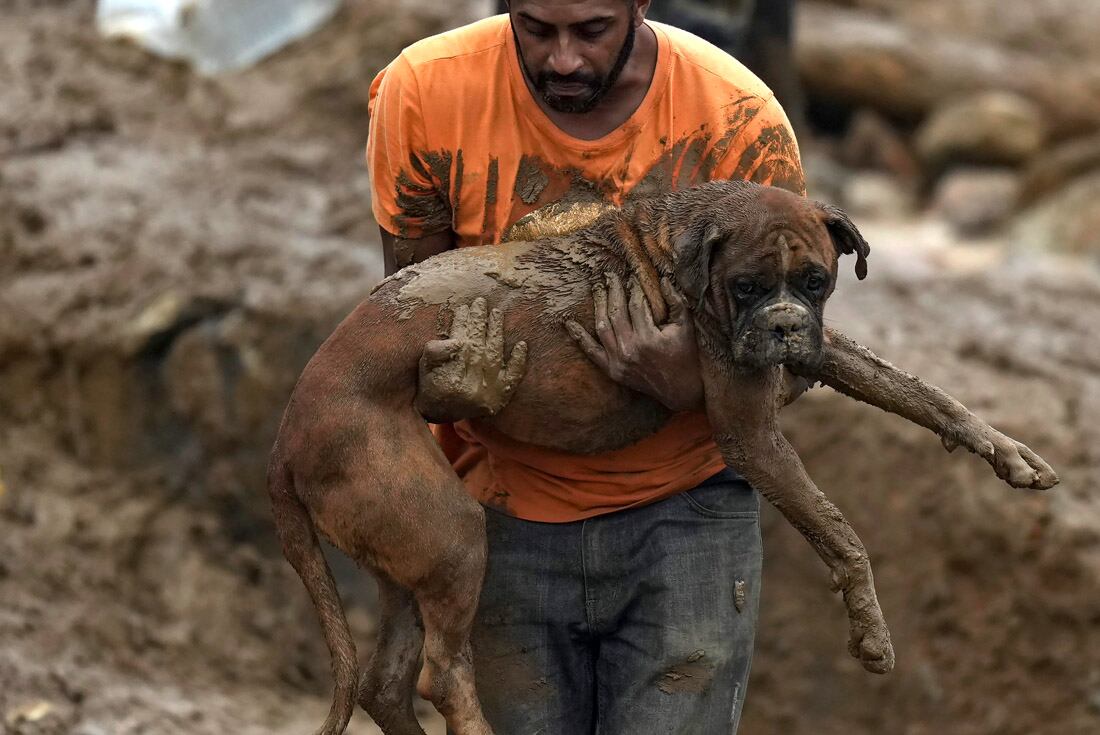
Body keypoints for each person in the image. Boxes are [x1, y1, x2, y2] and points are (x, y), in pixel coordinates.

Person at [366, 0, 803, 731]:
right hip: (496, 509)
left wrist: (690, 382)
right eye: (535, 29)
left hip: (687, 514)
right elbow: (407, 313)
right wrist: (443, 386)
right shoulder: (427, 92)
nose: (562, 59)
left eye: (591, 31)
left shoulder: (736, 121)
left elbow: (795, 359)